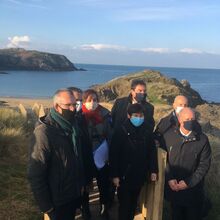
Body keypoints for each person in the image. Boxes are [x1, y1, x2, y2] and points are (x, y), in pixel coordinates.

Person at [28, 89, 84, 220]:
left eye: (74, 104)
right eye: (68, 105)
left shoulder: (73, 126)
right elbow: (35, 173)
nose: (72, 109)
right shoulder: (44, 133)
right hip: (56, 200)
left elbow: (77, 158)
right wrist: (46, 206)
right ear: (56, 106)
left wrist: (80, 184)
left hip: (72, 194)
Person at [109, 103, 158, 220]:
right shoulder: (120, 131)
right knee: (124, 205)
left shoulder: (147, 131)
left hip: (139, 174)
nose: (139, 118)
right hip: (124, 175)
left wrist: (153, 170)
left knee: (133, 204)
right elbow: (113, 154)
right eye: (136, 115)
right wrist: (114, 175)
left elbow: (152, 152)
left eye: (141, 116)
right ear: (129, 116)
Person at [162, 107, 211, 220]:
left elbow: (204, 165)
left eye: (192, 119)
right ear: (179, 119)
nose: (190, 121)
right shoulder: (168, 136)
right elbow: (164, 159)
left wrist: (189, 182)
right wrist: (169, 178)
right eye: (187, 119)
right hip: (174, 190)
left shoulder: (202, 140)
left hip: (193, 192)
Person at [81, 89, 113, 219]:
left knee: (103, 183)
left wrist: (109, 153)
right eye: (89, 100)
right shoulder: (79, 115)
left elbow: (111, 134)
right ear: (84, 101)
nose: (92, 102)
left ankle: (104, 209)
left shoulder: (105, 114)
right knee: (85, 183)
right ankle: (85, 210)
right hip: (86, 153)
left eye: (95, 99)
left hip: (101, 152)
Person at [68, 87, 94, 220]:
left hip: (83, 166)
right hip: (68, 174)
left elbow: (87, 147)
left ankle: (86, 212)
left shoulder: (82, 119)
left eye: (79, 100)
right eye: (74, 100)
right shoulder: (58, 124)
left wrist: (90, 175)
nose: (77, 103)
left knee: (84, 197)